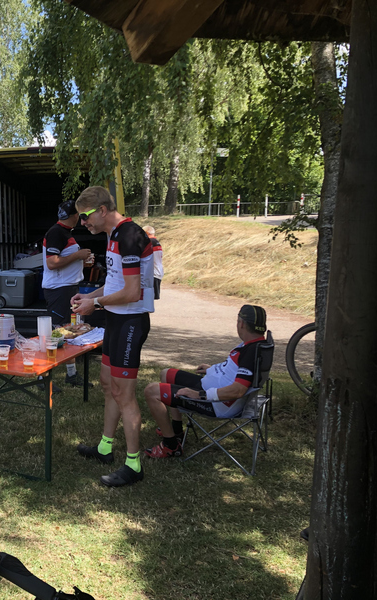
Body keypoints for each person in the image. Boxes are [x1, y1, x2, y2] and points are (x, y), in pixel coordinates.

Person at [71, 186, 154, 487]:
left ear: (103, 210)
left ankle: (133, 464)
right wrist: (89, 295)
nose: (83, 223)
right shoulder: (113, 235)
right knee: (108, 384)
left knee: (124, 394)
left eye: (85, 217)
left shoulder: (129, 235)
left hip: (131, 322)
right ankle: (105, 447)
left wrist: (95, 303)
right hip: (116, 320)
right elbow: (115, 283)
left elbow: (131, 292)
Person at [143, 304, 269, 458]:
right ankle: (176, 431)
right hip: (212, 390)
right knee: (166, 374)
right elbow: (232, 370)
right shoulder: (256, 344)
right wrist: (212, 370)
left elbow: (238, 390)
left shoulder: (251, 352)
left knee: (151, 391)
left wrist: (200, 395)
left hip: (217, 403)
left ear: (241, 323)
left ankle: (171, 446)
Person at [42, 199, 94, 387]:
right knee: (57, 333)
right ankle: (42, 376)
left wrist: (82, 262)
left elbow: (63, 260)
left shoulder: (65, 232)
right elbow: (51, 263)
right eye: (81, 215)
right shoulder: (56, 232)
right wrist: (77, 255)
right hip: (59, 290)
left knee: (69, 331)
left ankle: (71, 374)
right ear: (75, 215)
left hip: (68, 288)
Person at [142, 225, 164, 300]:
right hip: (158, 272)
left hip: (151, 274)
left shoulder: (149, 243)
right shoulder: (156, 242)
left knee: (147, 298)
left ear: (146, 233)